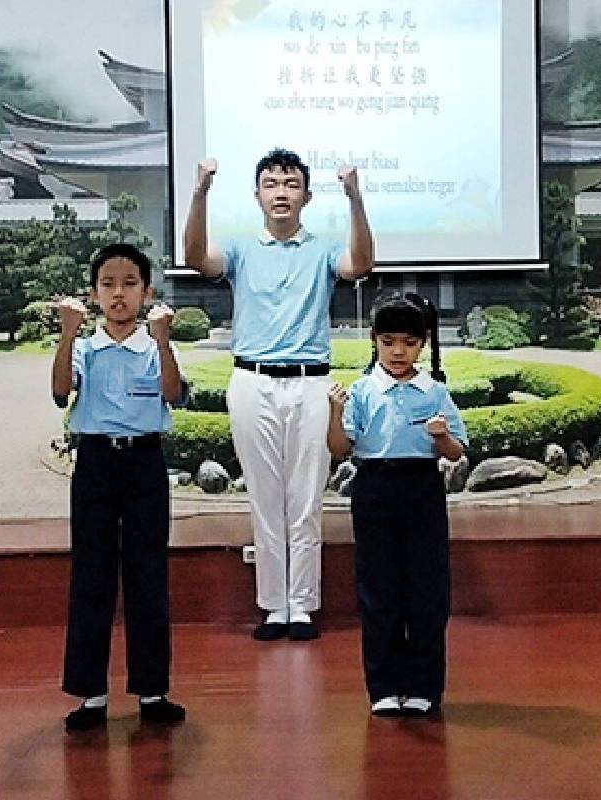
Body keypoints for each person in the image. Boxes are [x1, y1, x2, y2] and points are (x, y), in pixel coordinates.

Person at [183, 148, 375, 641]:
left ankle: (302, 605)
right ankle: (273, 606)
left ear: (306, 195)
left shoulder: (323, 250)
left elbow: (362, 264)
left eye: (291, 184)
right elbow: (196, 258)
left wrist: (355, 197)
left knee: (306, 496)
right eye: (272, 184)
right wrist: (201, 192)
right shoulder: (243, 251)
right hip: (252, 381)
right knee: (266, 498)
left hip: (311, 382)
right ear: (257, 195)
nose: (281, 192)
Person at [52, 242, 188, 730]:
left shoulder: (155, 344)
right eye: (107, 285)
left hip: (145, 463)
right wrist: (67, 335)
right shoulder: (86, 346)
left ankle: (152, 692)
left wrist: (165, 340)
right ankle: (89, 694)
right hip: (95, 465)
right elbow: (60, 392)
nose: (118, 294)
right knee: (91, 575)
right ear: (93, 294)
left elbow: (173, 393)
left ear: (147, 292)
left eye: (130, 284)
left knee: (147, 575)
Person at [326, 294, 467, 717]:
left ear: (422, 344)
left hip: (422, 488)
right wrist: (335, 412)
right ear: (375, 342)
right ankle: (384, 687)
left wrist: (441, 437)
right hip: (374, 488)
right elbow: (339, 448)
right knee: (378, 588)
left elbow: (456, 453)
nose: (398, 351)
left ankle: (423, 686)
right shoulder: (362, 391)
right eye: (388, 342)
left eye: (408, 342)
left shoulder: (435, 392)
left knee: (426, 590)